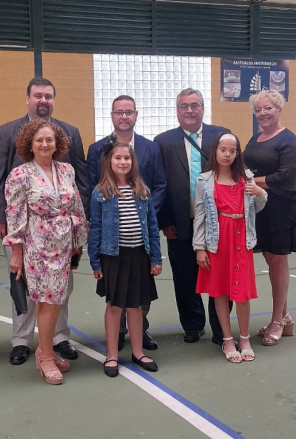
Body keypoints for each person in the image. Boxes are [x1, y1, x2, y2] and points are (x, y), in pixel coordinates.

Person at [0, 77, 90, 366]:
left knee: (60, 291)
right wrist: (2, 221)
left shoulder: (69, 136)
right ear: (28, 98)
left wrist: (78, 236)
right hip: (26, 233)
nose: (43, 100)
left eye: (48, 95)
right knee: (24, 288)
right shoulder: (7, 133)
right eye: (37, 95)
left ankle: (58, 338)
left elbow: (80, 185)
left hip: (62, 239)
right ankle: (22, 341)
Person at [4, 119, 87, 385]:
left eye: (49, 139)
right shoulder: (20, 174)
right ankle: (47, 357)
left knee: (53, 300)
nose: (44, 144)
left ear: (57, 143)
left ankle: (43, 350)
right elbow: (14, 216)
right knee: (48, 301)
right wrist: (16, 253)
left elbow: (76, 207)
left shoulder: (66, 170)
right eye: (39, 140)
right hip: (37, 246)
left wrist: (78, 241)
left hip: (63, 246)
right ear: (29, 144)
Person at [87, 94, 166, 351]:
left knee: (139, 294)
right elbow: (92, 190)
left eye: (128, 112)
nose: (124, 116)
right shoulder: (97, 149)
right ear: (111, 115)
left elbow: (160, 184)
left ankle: (139, 332)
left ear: (135, 115)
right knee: (116, 294)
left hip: (139, 236)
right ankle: (118, 334)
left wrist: (142, 213)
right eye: (118, 112)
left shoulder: (150, 148)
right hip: (113, 242)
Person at [155, 88, 229, 344]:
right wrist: (165, 221)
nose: (189, 110)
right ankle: (193, 324)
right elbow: (159, 184)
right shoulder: (163, 141)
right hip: (179, 222)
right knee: (185, 276)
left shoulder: (220, 136)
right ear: (177, 111)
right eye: (184, 106)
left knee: (220, 274)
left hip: (220, 222)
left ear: (202, 108)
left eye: (194, 105)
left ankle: (222, 328)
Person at [88, 141, 162, 378]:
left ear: (133, 162)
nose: (122, 162)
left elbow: (152, 225)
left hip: (139, 254)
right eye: (117, 158)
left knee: (136, 305)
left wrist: (155, 257)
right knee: (114, 306)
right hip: (113, 257)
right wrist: (95, 261)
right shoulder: (101, 192)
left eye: (126, 158)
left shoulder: (142, 190)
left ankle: (138, 352)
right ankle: (111, 354)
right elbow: (96, 228)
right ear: (109, 162)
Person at [193, 133, 267, 363]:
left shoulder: (246, 178)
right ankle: (227, 338)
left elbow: (259, 206)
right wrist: (200, 247)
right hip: (217, 241)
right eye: (223, 150)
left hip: (241, 240)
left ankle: (244, 338)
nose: (227, 154)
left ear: (237, 154)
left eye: (232, 151)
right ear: (215, 151)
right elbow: (200, 215)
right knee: (221, 291)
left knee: (242, 292)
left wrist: (261, 193)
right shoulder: (204, 180)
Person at [243, 90, 296, 346]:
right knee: (269, 257)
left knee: (277, 260)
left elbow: (285, 176)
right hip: (259, 204)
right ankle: (284, 317)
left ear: (279, 110)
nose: (262, 113)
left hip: (280, 206)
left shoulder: (288, 140)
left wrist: (252, 181)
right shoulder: (257, 137)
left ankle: (277, 320)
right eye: (258, 110)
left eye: (268, 109)